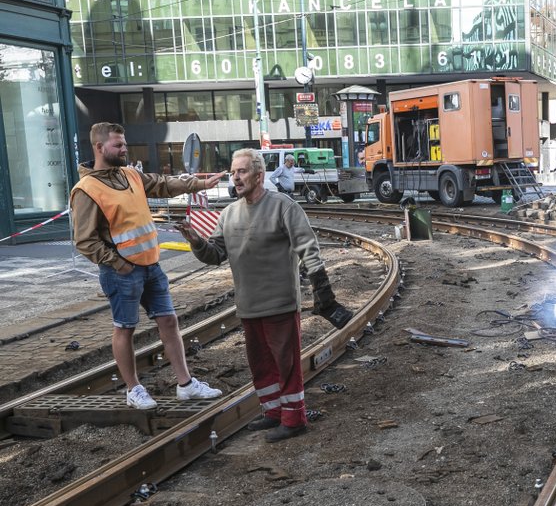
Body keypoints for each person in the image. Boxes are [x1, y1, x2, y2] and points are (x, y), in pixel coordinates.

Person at [177, 148, 354, 443]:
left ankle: (294, 419)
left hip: (280, 303)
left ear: (260, 175)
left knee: (286, 364)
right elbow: (216, 254)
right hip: (248, 305)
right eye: (233, 172)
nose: (236, 177)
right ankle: (272, 412)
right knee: (260, 365)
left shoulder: (283, 206)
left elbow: (308, 247)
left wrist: (323, 290)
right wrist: (195, 241)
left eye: (242, 171)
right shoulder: (229, 214)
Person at [70, 122, 226, 410]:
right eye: (118, 145)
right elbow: (84, 240)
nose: (124, 149)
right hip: (122, 272)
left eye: (125, 143)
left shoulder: (130, 174)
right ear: (100, 148)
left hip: (151, 266)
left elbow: (163, 184)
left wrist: (200, 183)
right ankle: (134, 389)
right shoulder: (86, 189)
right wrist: (118, 263)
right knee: (125, 328)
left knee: (168, 321)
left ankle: (186, 385)